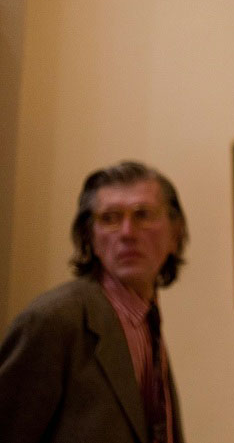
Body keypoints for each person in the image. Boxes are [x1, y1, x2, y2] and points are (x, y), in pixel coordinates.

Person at [0, 161, 189, 443]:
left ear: (175, 233)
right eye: (110, 218)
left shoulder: (146, 315)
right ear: (90, 237)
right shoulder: (54, 320)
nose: (127, 232)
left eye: (143, 215)